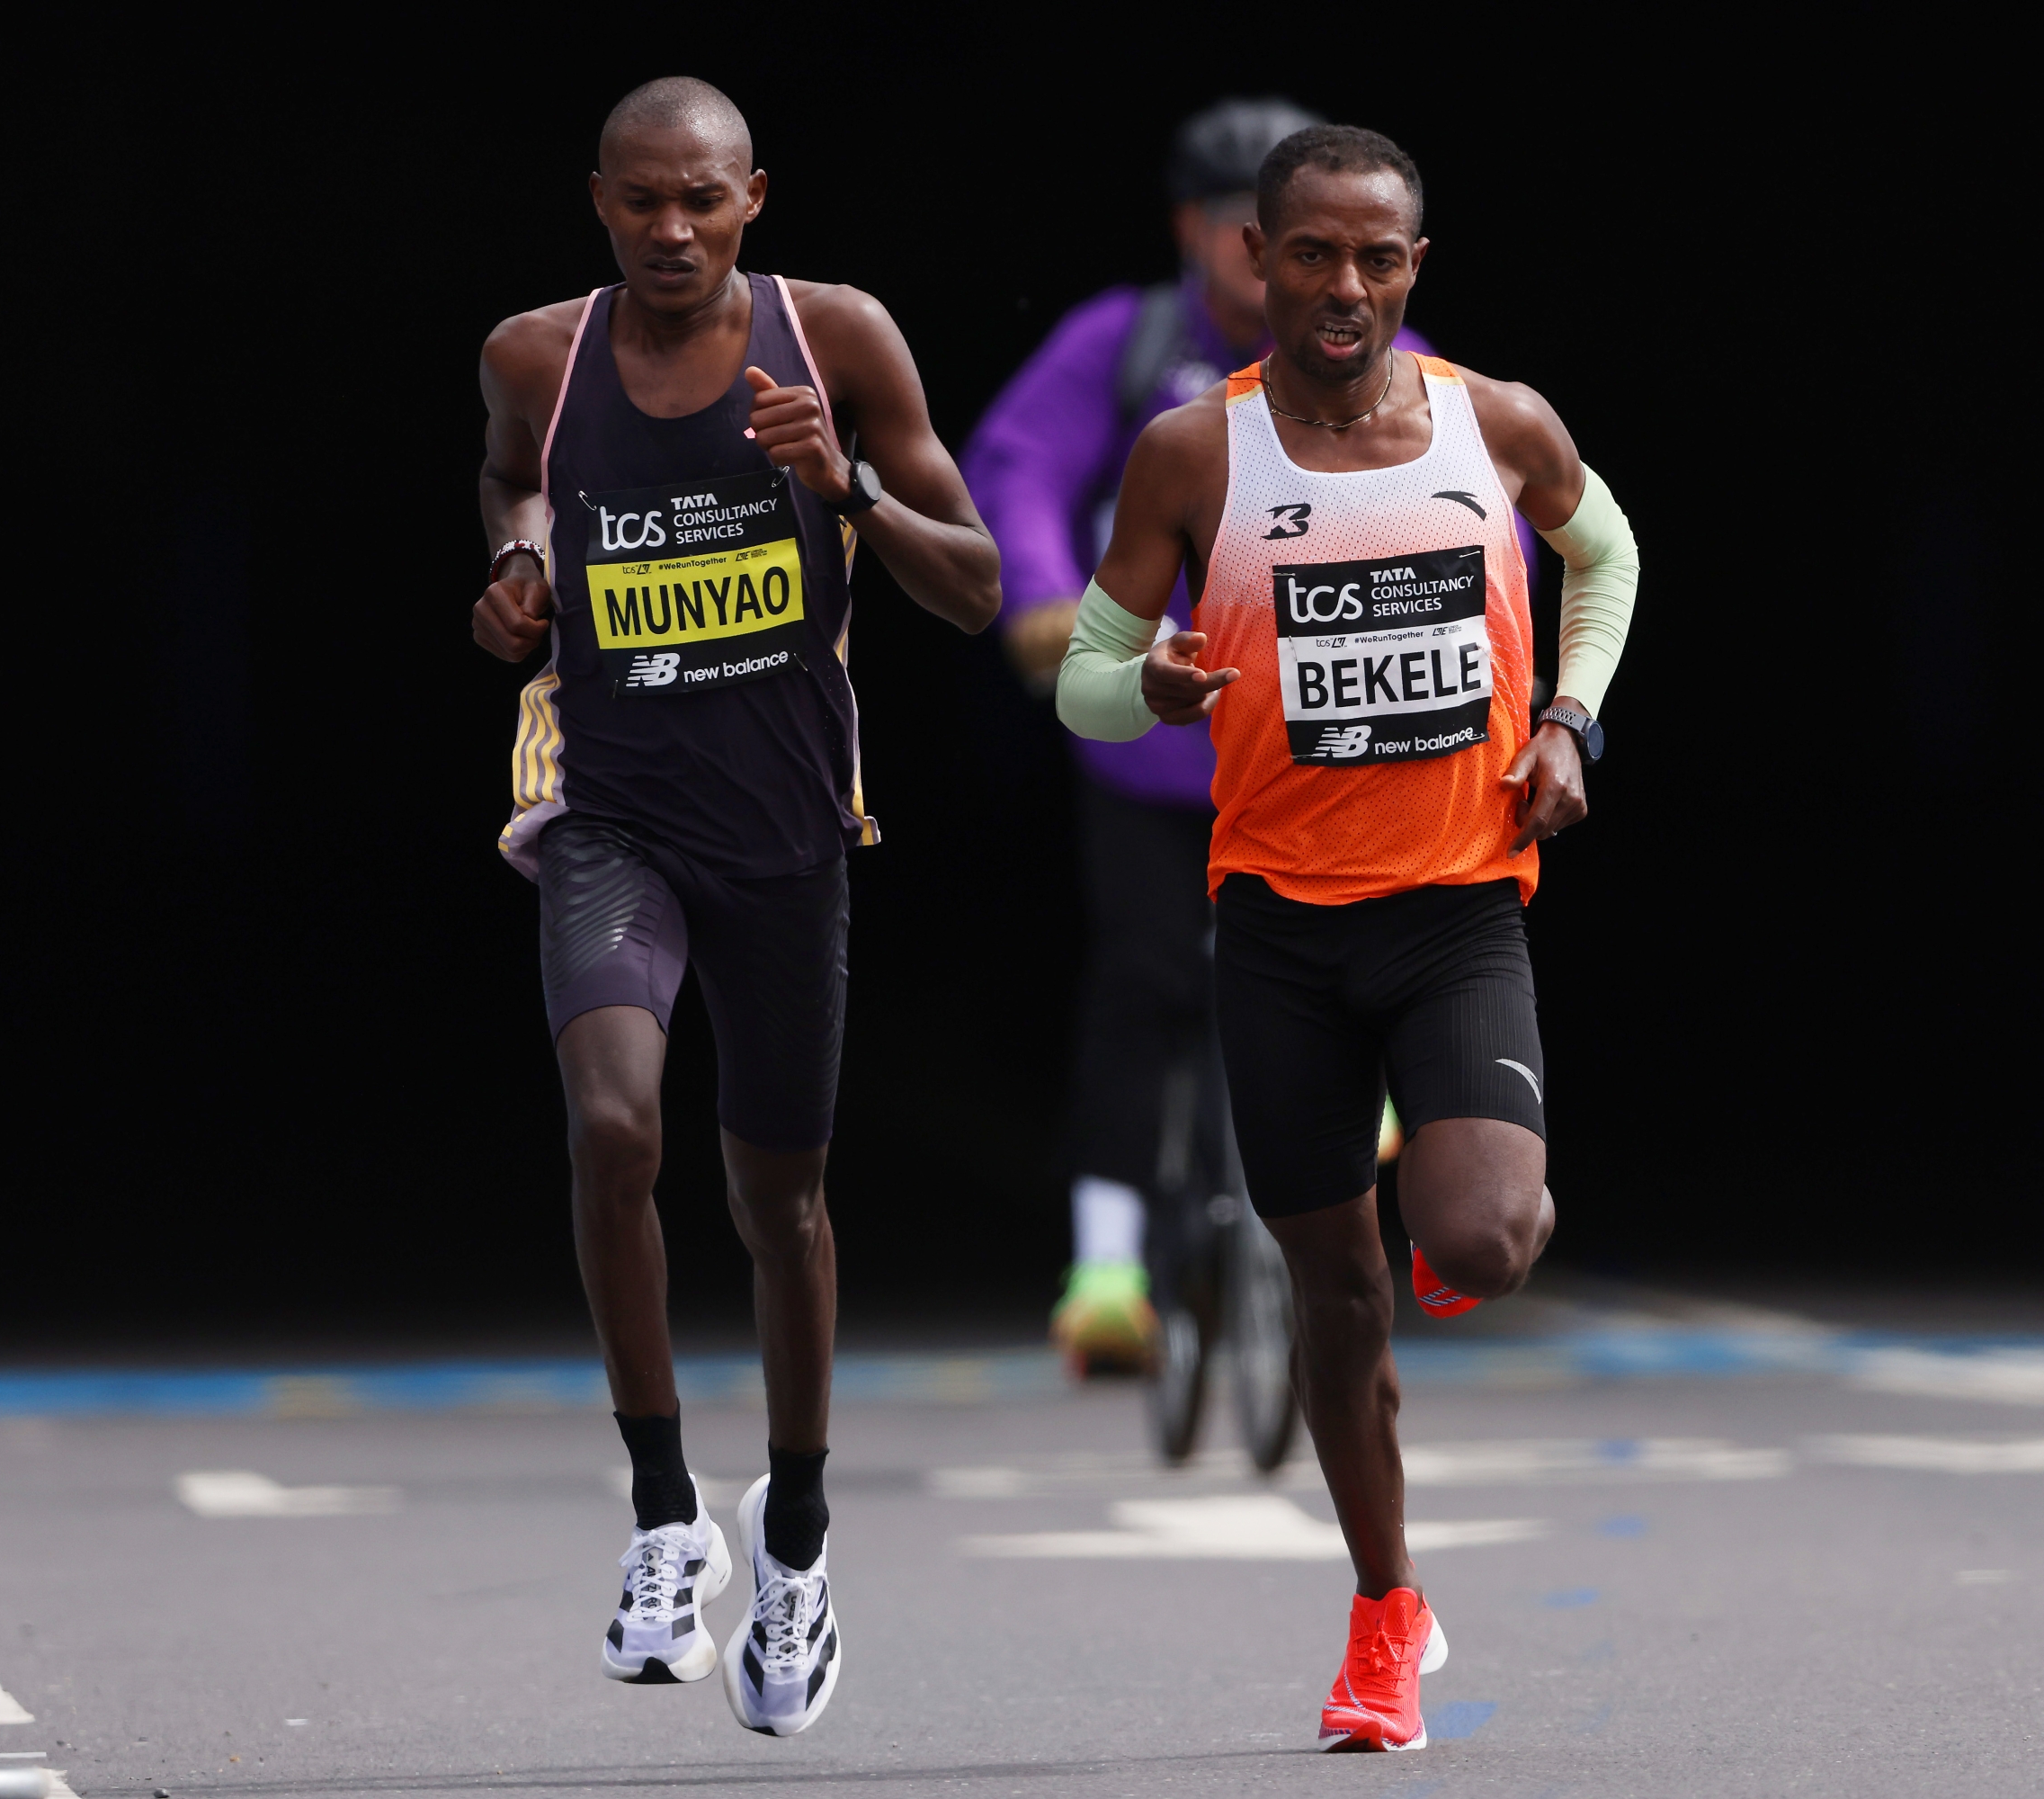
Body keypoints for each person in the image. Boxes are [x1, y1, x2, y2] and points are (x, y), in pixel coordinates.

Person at [1055, 125, 1640, 1751]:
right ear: (1255, 256)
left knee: (1478, 1244)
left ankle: (1457, 1202)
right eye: (1310, 252)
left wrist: (1573, 723)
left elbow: (1609, 556)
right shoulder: (1191, 455)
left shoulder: (1493, 421)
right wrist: (1143, 686)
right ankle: (1386, 1613)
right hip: (1281, 936)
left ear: (1414, 270)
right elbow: (1084, 683)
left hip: (1456, 914)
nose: (1343, 285)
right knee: (1335, 1297)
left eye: (1377, 257)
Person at [469, 76, 1000, 1736]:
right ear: (600, 202)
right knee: (613, 1127)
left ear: (752, 195)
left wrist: (842, 485)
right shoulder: (534, 359)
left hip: (785, 832)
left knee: (782, 1205)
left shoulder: (834, 335)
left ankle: (798, 1542)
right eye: (642, 203)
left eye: (702, 199)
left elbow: (976, 588)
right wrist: (516, 574)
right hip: (611, 814)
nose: (673, 230)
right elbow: (508, 491)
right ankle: (657, 1516)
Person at [961, 98, 1531, 1374]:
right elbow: (1017, 469)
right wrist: (1049, 607)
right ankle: (1106, 1269)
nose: (1329, 279)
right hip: (1159, 743)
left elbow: (1483, 543)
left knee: (1373, 951)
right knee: (1147, 981)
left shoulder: (1403, 368)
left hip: (1339, 759)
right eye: (1272, 241)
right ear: (1215, 234)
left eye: (1361, 254)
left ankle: (1397, 1099)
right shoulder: (1125, 345)